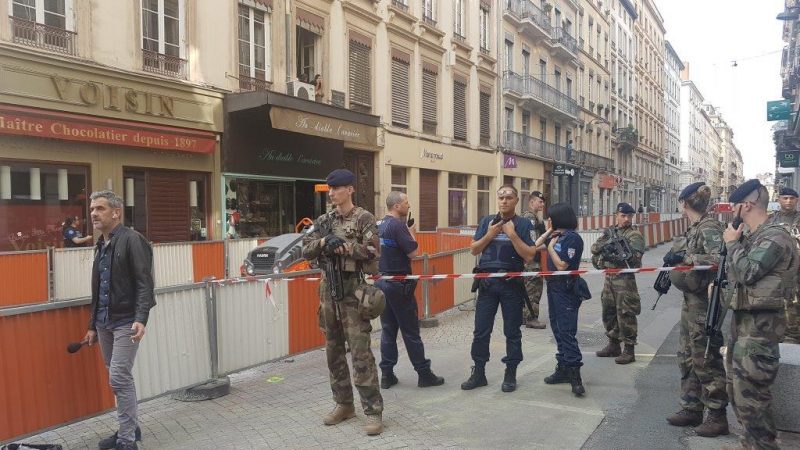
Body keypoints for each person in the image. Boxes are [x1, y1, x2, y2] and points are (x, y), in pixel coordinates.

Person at [302, 169, 384, 436]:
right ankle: (344, 404)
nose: (332, 193)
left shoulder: (364, 218)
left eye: (336, 189)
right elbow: (305, 249)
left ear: (349, 190)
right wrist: (325, 240)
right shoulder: (324, 220)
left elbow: (373, 252)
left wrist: (345, 247)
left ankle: (372, 411)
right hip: (328, 290)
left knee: (361, 353)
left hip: (352, 290)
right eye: (330, 189)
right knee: (333, 351)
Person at [724, 179, 798, 450]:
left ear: (746, 205)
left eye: (735, 205)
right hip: (744, 326)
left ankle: (764, 446)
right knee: (738, 394)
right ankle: (750, 444)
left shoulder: (775, 236)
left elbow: (748, 272)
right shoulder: (755, 236)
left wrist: (732, 244)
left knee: (753, 398)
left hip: (760, 331)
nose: (733, 210)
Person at [82, 191, 155, 450]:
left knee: (119, 378)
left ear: (116, 212)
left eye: (100, 208)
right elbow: (98, 288)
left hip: (126, 320)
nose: (93, 213)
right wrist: (92, 325)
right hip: (103, 322)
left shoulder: (133, 240)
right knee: (117, 377)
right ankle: (130, 428)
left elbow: (145, 283)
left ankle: (126, 441)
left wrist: (141, 318)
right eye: (92, 209)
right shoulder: (100, 244)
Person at [663, 182, 729, 437]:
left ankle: (716, 414)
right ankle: (691, 406)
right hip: (691, 300)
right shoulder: (696, 227)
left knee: (706, 358)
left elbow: (718, 258)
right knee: (687, 355)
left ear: (684, 203)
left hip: (703, 301)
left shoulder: (709, 227)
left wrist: (686, 259)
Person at [461, 184, 536, 393]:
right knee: (481, 331)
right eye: (501, 197)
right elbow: (474, 248)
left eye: (509, 198)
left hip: (511, 285)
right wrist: (491, 233)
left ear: (516, 201)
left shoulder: (522, 224)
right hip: (487, 284)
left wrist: (512, 235)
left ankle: (510, 372)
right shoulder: (487, 221)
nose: (504, 201)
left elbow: (530, 256)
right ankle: (479, 373)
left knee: (512, 331)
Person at [376, 191, 444, 389]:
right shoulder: (398, 226)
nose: (408, 205)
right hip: (399, 285)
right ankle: (424, 374)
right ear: (397, 206)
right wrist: (412, 232)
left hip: (382, 281)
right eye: (406, 202)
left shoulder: (380, 225)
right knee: (410, 331)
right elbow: (413, 253)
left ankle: (387, 375)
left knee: (388, 330)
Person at [536, 203, 586, 396]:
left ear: (558, 218)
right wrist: (549, 232)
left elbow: (562, 265)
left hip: (566, 289)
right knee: (557, 329)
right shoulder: (557, 235)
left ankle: (575, 376)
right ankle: (563, 367)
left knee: (566, 331)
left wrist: (550, 247)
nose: (548, 219)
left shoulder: (572, 238)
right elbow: (535, 245)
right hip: (554, 287)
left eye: (550, 217)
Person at [591, 202, 646, 365]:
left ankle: (629, 350)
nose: (626, 219)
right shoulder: (610, 232)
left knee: (626, 313)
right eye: (623, 216)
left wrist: (615, 255)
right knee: (608, 312)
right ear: (616, 215)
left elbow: (634, 260)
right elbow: (595, 249)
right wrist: (606, 248)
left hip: (625, 281)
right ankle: (613, 345)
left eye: (629, 216)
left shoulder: (634, 235)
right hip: (609, 278)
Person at [765, 186, 800, 344]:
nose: (788, 201)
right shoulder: (771, 220)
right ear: (778, 200)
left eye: (792, 198)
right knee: (780, 304)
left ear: (797, 201)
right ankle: (782, 336)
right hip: (778, 272)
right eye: (785, 198)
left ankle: (794, 335)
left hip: (797, 271)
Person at [522, 191, 547, 329]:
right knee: (534, 289)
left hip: (528, 260)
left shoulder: (530, 216)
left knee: (526, 289)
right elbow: (532, 242)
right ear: (532, 202)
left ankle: (524, 316)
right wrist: (546, 245)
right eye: (540, 201)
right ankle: (531, 318)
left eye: (543, 202)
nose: (542, 204)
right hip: (531, 262)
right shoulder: (530, 218)